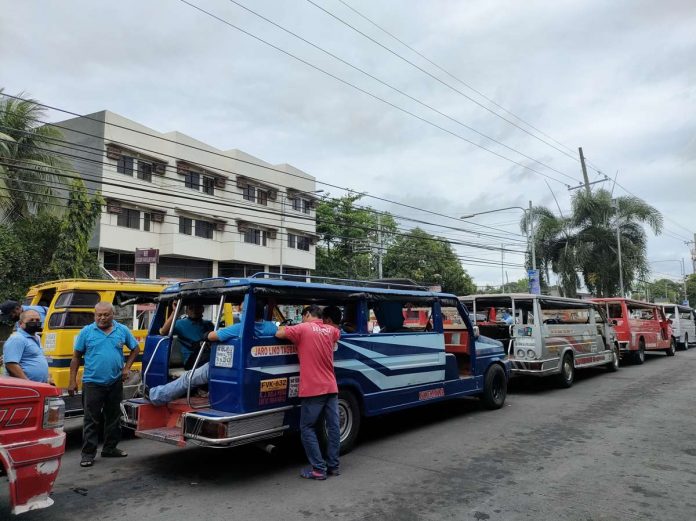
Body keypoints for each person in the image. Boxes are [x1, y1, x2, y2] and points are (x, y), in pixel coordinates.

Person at [147, 301, 277, 405]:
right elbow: (163, 332)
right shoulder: (272, 327)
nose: (239, 312)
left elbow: (212, 336)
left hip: (227, 366)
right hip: (250, 365)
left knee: (188, 378)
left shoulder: (238, 328)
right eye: (191, 307)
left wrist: (208, 336)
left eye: (242, 310)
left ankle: (156, 395)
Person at [68, 302, 140, 468]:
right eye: (98, 315)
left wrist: (127, 368)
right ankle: (87, 454)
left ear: (112, 315)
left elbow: (135, 349)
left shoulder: (121, 330)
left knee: (113, 418)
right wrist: (72, 381)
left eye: (105, 315)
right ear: (94, 315)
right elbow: (76, 357)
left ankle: (110, 448)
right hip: (92, 382)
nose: (101, 318)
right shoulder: (87, 331)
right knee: (91, 420)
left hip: (115, 382)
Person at [275, 305, 341, 480]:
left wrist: (284, 326)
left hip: (313, 388)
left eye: (302, 316)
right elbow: (338, 334)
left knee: (307, 428)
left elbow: (279, 333)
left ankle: (319, 469)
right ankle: (333, 466)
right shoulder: (331, 330)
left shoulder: (302, 328)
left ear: (307, 314)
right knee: (333, 427)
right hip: (331, 386)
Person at [159, 302, 214, 369]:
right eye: (191, 308)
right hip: (191, 361)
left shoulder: (209, 324)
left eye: (197, 307)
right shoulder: (180, 323)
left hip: (207, 356)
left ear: (202, 309)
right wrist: (174, 311)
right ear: (186, 311)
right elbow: (163, 332)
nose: (194, 310)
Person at [3, 310, 49, 383]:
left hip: (38, 387)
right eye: (31, 320)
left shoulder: (37, 337)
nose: (35, 322)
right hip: (24, 388)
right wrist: (28, 383)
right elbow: (11, 364)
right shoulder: (17, 339)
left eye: (37, 320)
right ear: (20, 323)